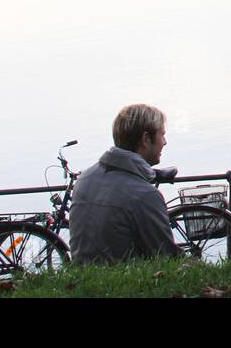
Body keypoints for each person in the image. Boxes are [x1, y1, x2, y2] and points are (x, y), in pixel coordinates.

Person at [68, 104, 181, 266]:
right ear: (146, 139)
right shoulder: (144, 194)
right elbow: (167, 258)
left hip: (82, 277)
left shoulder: (85, 178)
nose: (165, 142)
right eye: (162, 135)